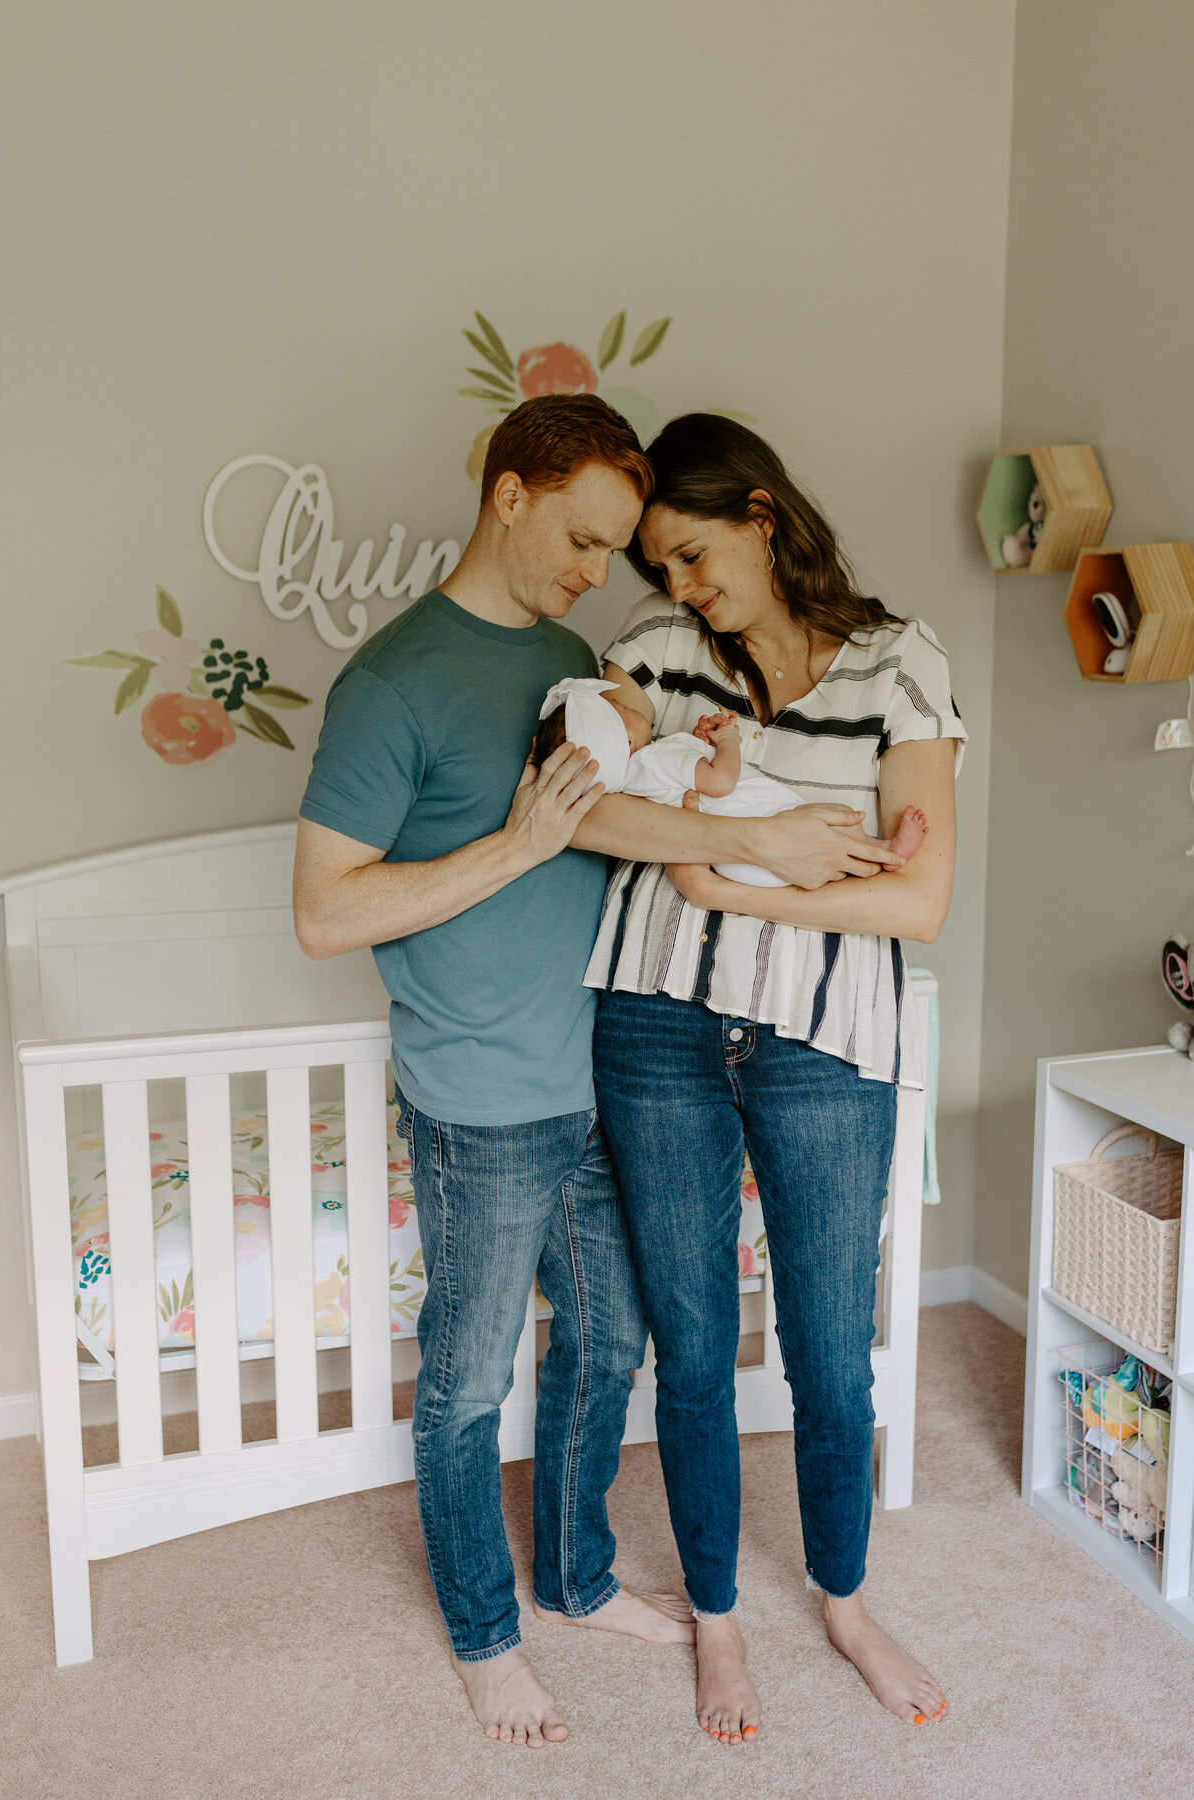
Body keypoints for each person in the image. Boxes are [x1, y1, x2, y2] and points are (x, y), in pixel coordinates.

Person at [292, 394, 897, 1750]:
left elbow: (624, 817)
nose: (594, 570)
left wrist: (724, 787)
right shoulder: (393, 683)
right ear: (509, 493)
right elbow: (325, 914)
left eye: (616, 548)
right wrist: (512, 847)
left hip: (592, 1079)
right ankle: (484, 1637)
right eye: (579, 535)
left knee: (614, 1339)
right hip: (482, 1101)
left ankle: (571, 1579)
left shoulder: (573, 659)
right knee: (466, 1383)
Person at [586, 412, 966, 1745]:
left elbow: (918, 902)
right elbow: (577, 792)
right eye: (662, 568)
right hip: (656, 1026)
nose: (683, 587)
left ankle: (846, 1604)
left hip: (825, 1041)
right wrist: (792, 850)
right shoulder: (653, 655)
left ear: (759, 511)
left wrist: (723, 872)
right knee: (691, 1351)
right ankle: (722, 1621)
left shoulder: (900, 665)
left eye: (693, 554)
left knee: (827, 1353)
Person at [532, 679, 928, 882]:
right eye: (618, 707)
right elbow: (720, 781)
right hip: (756, 824)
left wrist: (696, 738)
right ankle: (882, 850)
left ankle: (876, 856)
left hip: (737, 868)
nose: (626, 703)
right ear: (624, 737)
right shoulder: (657, 757)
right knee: (833, 820)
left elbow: (682, 774)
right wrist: (728, 742)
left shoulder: (632, 780)